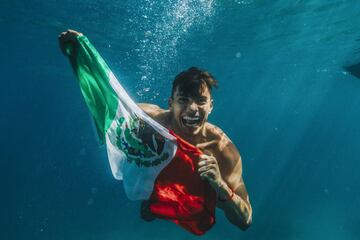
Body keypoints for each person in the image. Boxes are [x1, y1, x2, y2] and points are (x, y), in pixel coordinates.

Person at [59, 29, 252, 230]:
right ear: (171, 103)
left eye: (201, 101)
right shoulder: (147, 119)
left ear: (211, 106)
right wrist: (79, 57)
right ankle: (157, 202)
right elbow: (105, 103)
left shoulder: (221, 150)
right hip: (155, 183)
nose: (192, 109)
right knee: (150, 205)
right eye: (183, 100)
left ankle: (161, 204)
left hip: (185, 193)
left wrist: (219, 184)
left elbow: (245, 220)